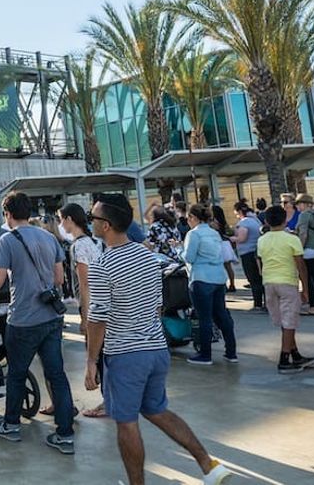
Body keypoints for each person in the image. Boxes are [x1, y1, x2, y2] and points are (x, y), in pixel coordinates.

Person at [84, 193, 232, 485]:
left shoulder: (102, 265)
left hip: (125, 355)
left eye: (93, 218)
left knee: (126, 421)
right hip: (156, 348)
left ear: (106, 225)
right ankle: (208, 465)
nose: (91, 223)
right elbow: (156, 305)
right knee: (156, 410)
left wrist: (91, 359)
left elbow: (98, 317)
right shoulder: (147, 257)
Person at [0, 192, 75, 455]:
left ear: (7, 214)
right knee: (56, 374)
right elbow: (59, 279)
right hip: (52, 317)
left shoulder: (7, 240)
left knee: (17, 373)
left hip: (23, 318)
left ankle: (11, 425)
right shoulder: (49, 237)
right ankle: (65, 434)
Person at [257, 204, 314, 374]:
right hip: (287, 283)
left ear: (267, 221)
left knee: (284, 322)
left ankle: (295, 354)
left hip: (269, 283)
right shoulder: (292, 239)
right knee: (290, 321)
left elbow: (261, 261)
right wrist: (305, 289)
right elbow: (301, 266)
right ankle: (284, 359)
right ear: (285, 220)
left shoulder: (262, 240)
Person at [58, 202, 105, 418]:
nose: (61, 225)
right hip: (105, 302)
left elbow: (85, 284)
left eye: (62, 220)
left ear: (69, 219)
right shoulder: (95, 242)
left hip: (94, 306)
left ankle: (108, 401)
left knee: (98, 354)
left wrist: (85, 318)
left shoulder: (78, 246)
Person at [177, 205, 238, 366]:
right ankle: (231, 352)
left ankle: (205, 354)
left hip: (201, 278)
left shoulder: (193, 234)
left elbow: (189, 257)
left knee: (204, 318)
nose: (188, 221)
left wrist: (178, 249)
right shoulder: (214, 233)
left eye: (188, 218)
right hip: (218, 278)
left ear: (193, 218)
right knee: (222, 315)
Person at [233, 201, 265, 311]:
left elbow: (242, 238)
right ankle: (265, 302)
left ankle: (258, 304)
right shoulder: (255, 220)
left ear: (239, 212)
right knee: (260, 278)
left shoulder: (244, 222)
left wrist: (233, 238)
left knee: (253, 279)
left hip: (247, 253)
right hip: (257, 251)